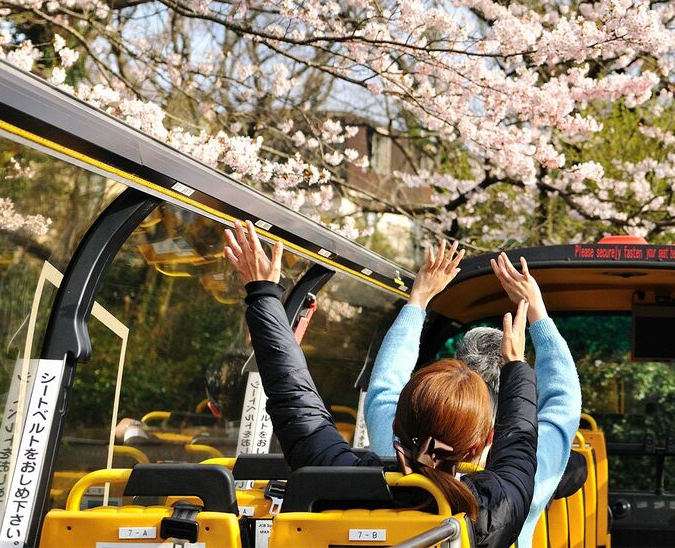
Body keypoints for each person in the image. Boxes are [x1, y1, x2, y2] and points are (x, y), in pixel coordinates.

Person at [225, 220, 539, 548]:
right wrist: (515, 363)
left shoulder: (339, 480)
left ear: (395, 424)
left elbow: (295, 399)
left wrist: (263, 293)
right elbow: (519, 439)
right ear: (478, 445)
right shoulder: (494, 508)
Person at [366, 246, 581, 548]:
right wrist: (536, 313)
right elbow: (564, 402)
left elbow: (383, 390)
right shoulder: (527, 472)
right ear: (488, 436)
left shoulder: (397, 454)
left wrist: (418, 299)